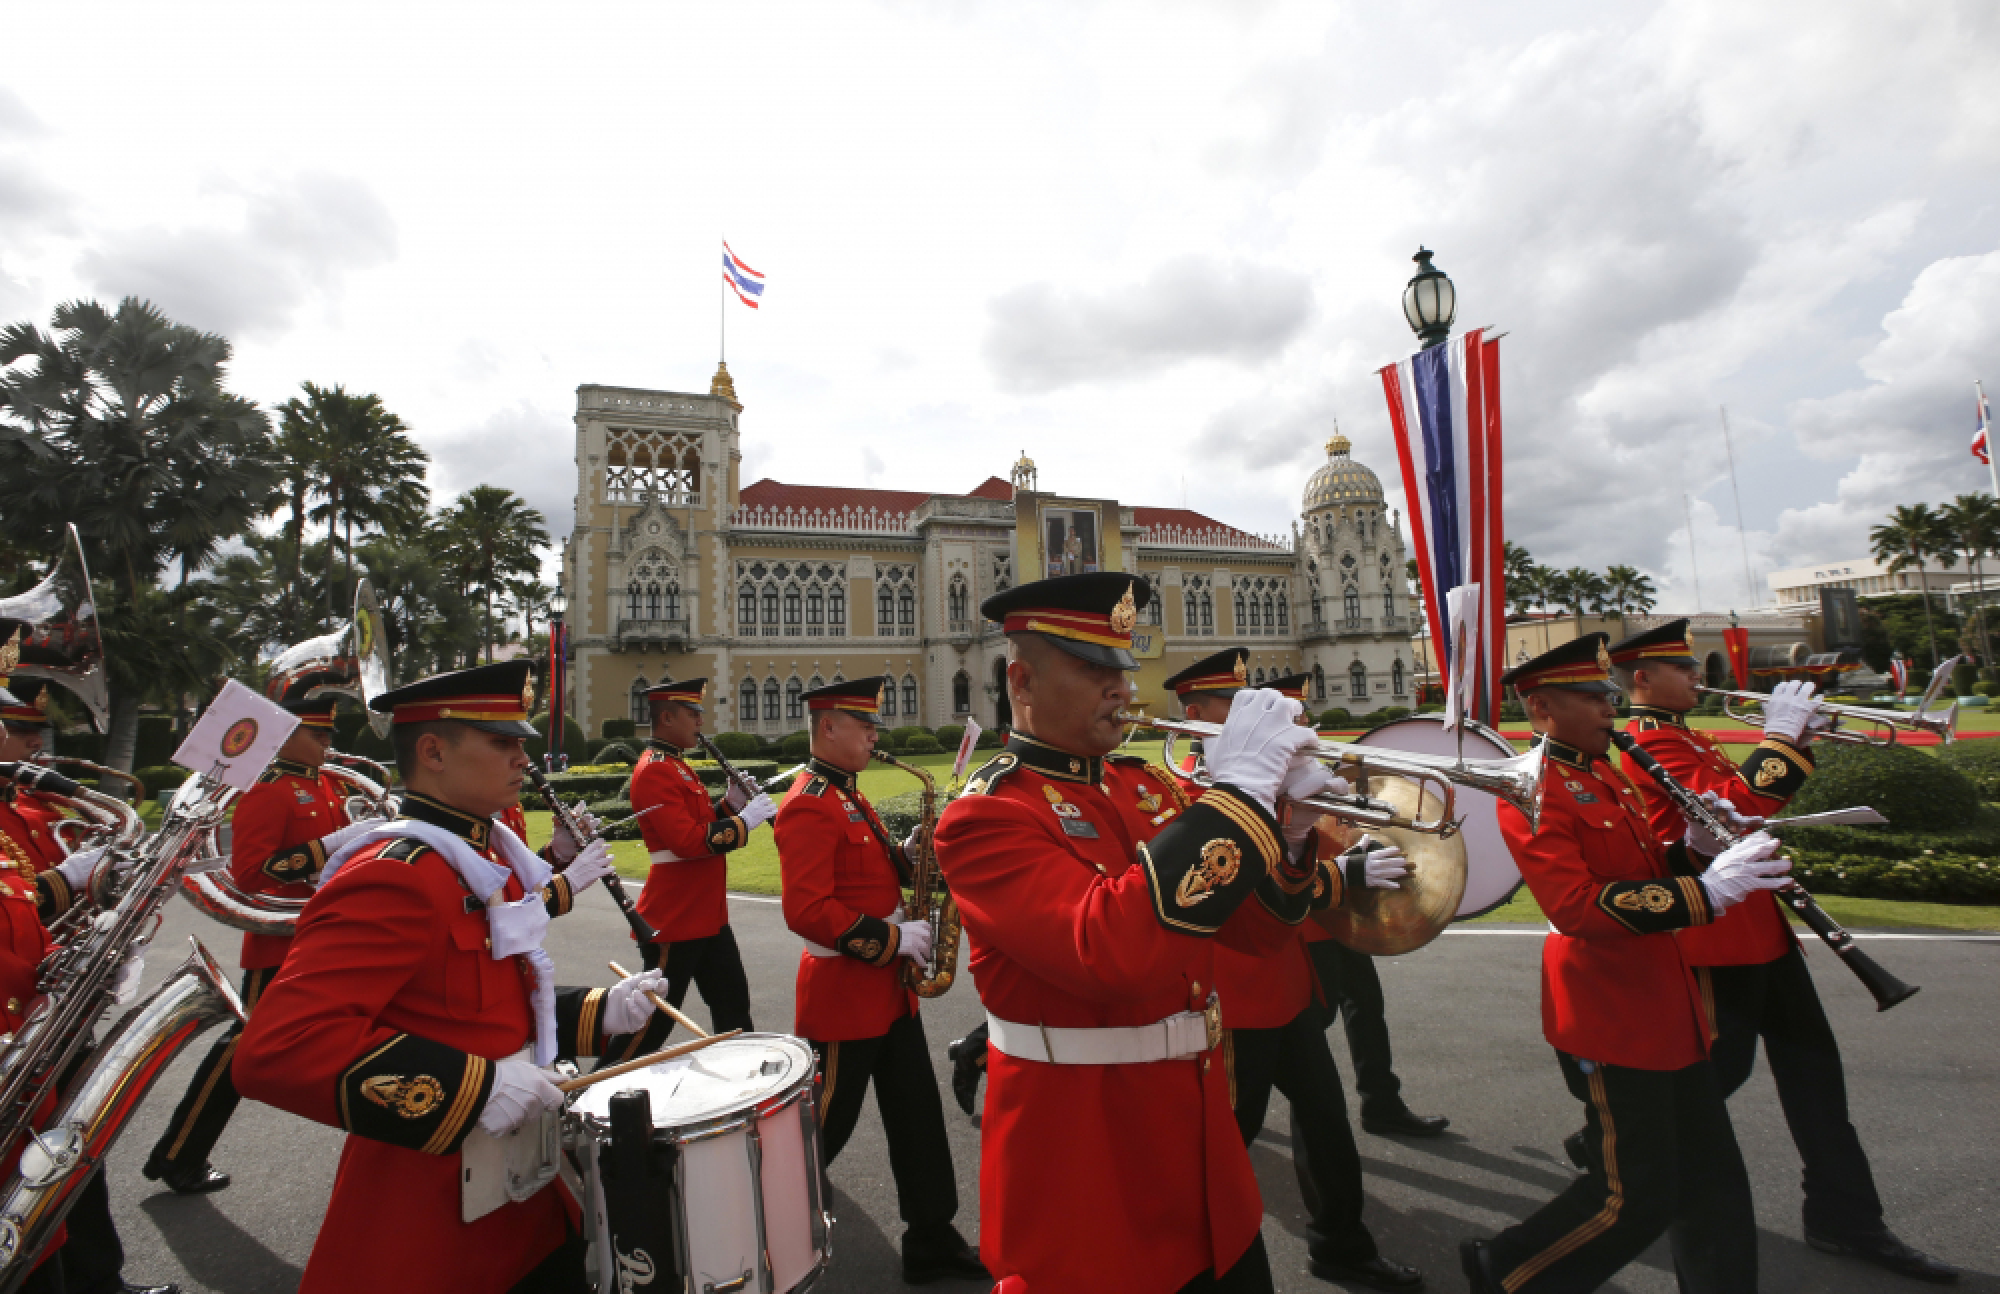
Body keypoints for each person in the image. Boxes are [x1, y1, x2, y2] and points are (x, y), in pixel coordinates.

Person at [934, 573, 1341, 1293]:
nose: (1121, 688)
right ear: (1021, 680)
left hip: (1204, 1156)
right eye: (1093, 669)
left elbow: (1257, 933)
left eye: (1122, 667)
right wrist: (1235, 797)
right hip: (1088, 1173)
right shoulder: (986, 815)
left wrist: (1292, 835)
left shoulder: (1147, 786)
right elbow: (1108, 951)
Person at [233, 660, 650, 1293]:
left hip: (526, 1200)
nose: (522, 756)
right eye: (502, 741)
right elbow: (277, 1050)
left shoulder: (483, 857)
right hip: (432, 1221)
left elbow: (490, 1006)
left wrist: (601, 1009)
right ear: (432, 751)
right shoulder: (393, 873)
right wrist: (475, 1087)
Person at [1602, 621, 1957, 1283]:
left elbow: (1752, 810)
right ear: (1643, 678)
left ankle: (1845, 1218)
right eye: (1681, 669)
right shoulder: (1647, 742)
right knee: (1709, 1084)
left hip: (1762, 931)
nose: (1695, 676)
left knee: (1818, 1081)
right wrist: (1780, 737)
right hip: (1712, 940)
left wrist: (1798, 739)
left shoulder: (1685, 734)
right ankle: (1609, 1150)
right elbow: (1739, 806)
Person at [1461, 634, 1789, 1293]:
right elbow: (1578, 906)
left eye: (1608, 694)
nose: (1611, 706)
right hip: (1612, 1013)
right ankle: (1507, 1272)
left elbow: (1643, 871)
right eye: (1591, 696)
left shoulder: (1603, 771)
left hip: (1668, 1002)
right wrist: (1706, 892)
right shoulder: (1531, 788)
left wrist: (1696, 852)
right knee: (1633, 1196)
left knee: (1711, 1178)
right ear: (1544, 707)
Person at [1194, 666, 1423, 1291]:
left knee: (1325, 1119)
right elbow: (1233, 889)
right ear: (1203, 709)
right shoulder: (1193, 786)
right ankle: (1187, 1263)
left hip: (1290, 984)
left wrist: (1327, 837)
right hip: (1234, 997)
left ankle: (1343, 1245)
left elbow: (1303, 865)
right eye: (1238, 703)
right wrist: (1336, 872)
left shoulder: (1277, 767)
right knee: (1222, 1146)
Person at [774, 676, 986, 1286]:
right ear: (827, 727)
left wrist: (911, 849)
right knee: (820, 1135)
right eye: (863, 725)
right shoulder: (809, 801)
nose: (875, 734)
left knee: (917, 1120)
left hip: (889, 997)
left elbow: (872, 864)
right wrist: (893, 939)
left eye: (874, 725)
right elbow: (806, 910)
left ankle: (930, 1238)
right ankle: (767, 1235)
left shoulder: (849, 795)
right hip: (844, 1002)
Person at [0, 682, 178, 1294]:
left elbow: (19, 928)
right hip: (18, 1061)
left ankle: (97, 1280)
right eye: (11, 726)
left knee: (68, 1175)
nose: (24, 742)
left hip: (33, 1047)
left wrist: (82, 959)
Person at [601, 679, 775, 1062]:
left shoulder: (677, 766)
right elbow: (686, 842)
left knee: (734, 1010)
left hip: (706, 915)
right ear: (666, 717)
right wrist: (744, 822)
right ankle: (597, 1085)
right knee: (653, 1025)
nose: (700, 720)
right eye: (692, 713)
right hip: (675, 920)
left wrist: (729, 806)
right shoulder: (655, 771)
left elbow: (700, 825)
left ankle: (741, 1088)